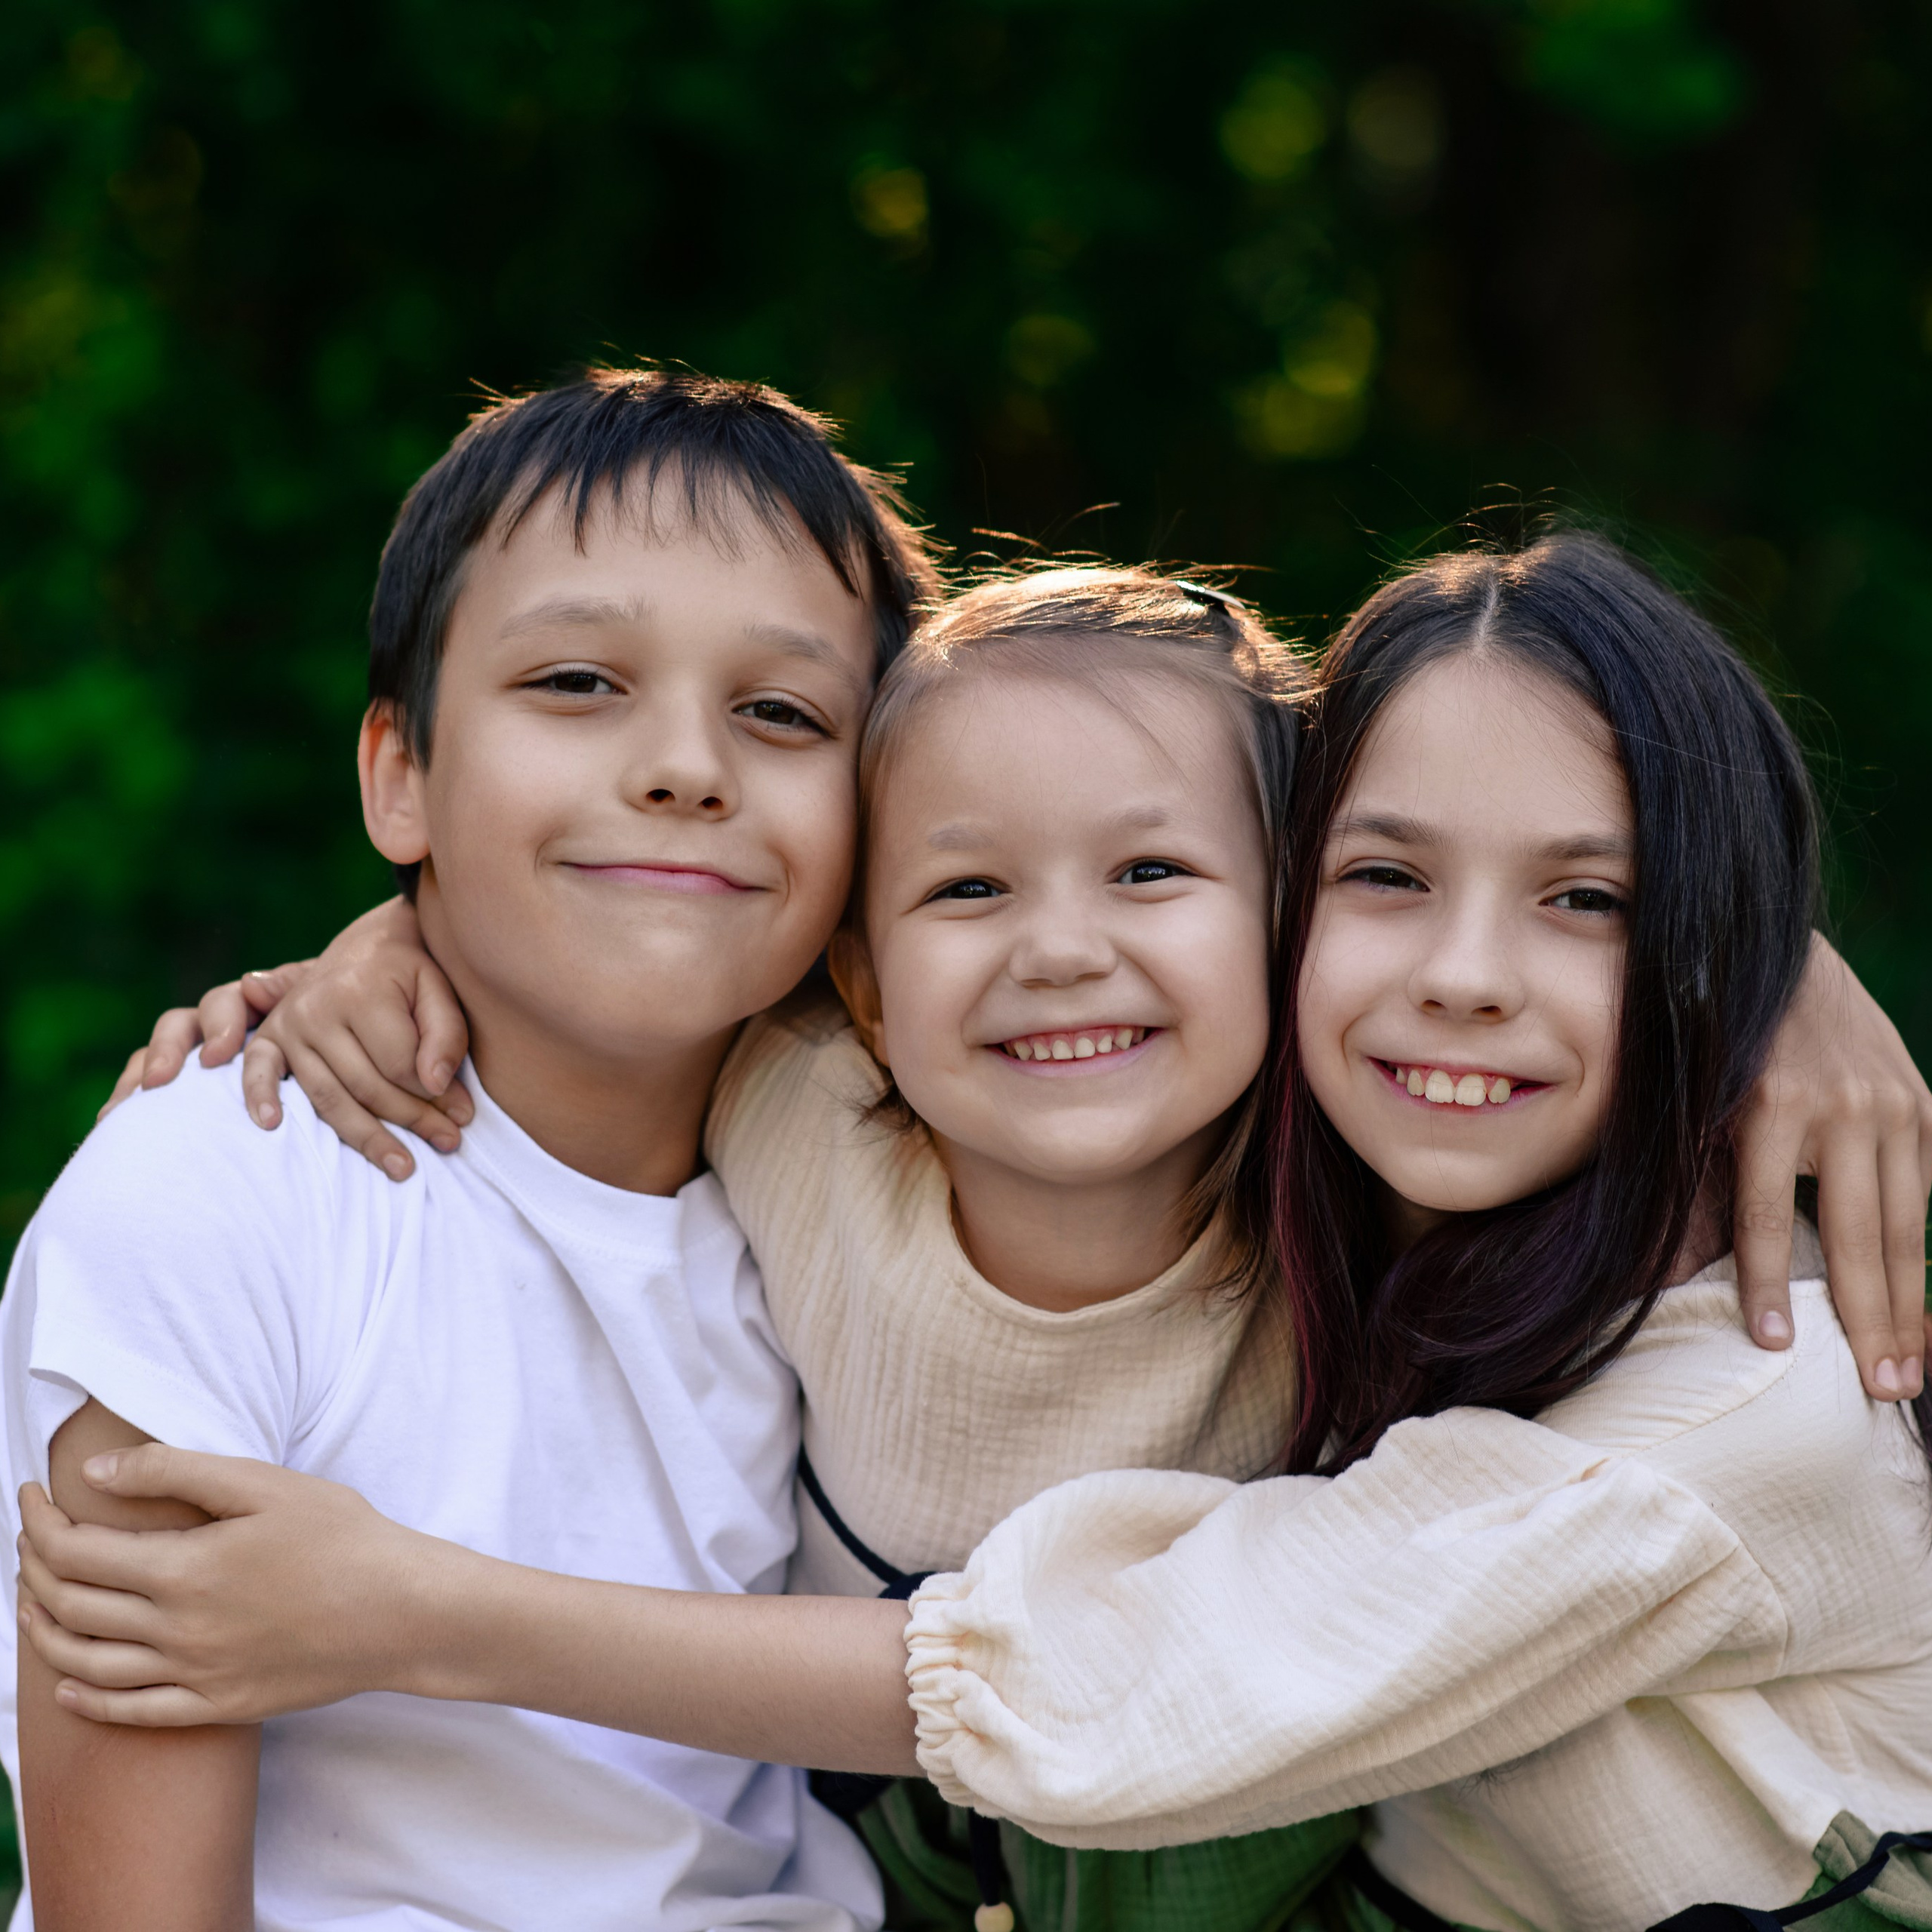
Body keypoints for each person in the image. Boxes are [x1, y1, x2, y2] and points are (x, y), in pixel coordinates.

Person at [22, 537, 1932, 1930]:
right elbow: (655, 924)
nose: (1455, 978)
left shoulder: (1746, 1396)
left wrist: (413, 1608)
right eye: (1384, 876)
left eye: (1585, 899)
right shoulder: (904, 1111)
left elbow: (1126, 1677)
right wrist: (387, 949)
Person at [0, 364, 941, 1930]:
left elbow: (1068, 1673)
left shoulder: (880, 1184)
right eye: (577, 681)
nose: (685, 764)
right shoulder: (221, 1187)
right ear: (400, 773)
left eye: (779, 712)